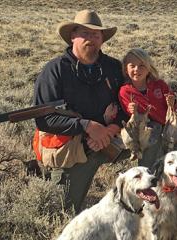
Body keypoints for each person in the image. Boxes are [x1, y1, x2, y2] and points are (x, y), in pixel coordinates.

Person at [33, 9, 128, 213]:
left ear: (102, 39)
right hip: (71, 147)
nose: (91, 38)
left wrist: (110, 129)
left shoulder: (112, 67)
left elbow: (126, 105)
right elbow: (44, 120)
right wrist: (86, 126)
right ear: (72, 37)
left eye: (96, 34)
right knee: (61, 211)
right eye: (84, 33)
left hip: (109, 137)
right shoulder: (55, 70)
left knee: (153, 138)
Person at [118, 48, 177, 205]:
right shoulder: (125, 91)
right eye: (132, 65)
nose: (136, 70)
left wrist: (173, 105)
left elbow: (176, 109)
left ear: (149, 67)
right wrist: (132, 110)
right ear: (125, 68)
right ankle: (152, 199)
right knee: (152, 168)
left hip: (170, 130)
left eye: (141, 65)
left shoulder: (160, 85)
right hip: (148, 135)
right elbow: (130, 115)